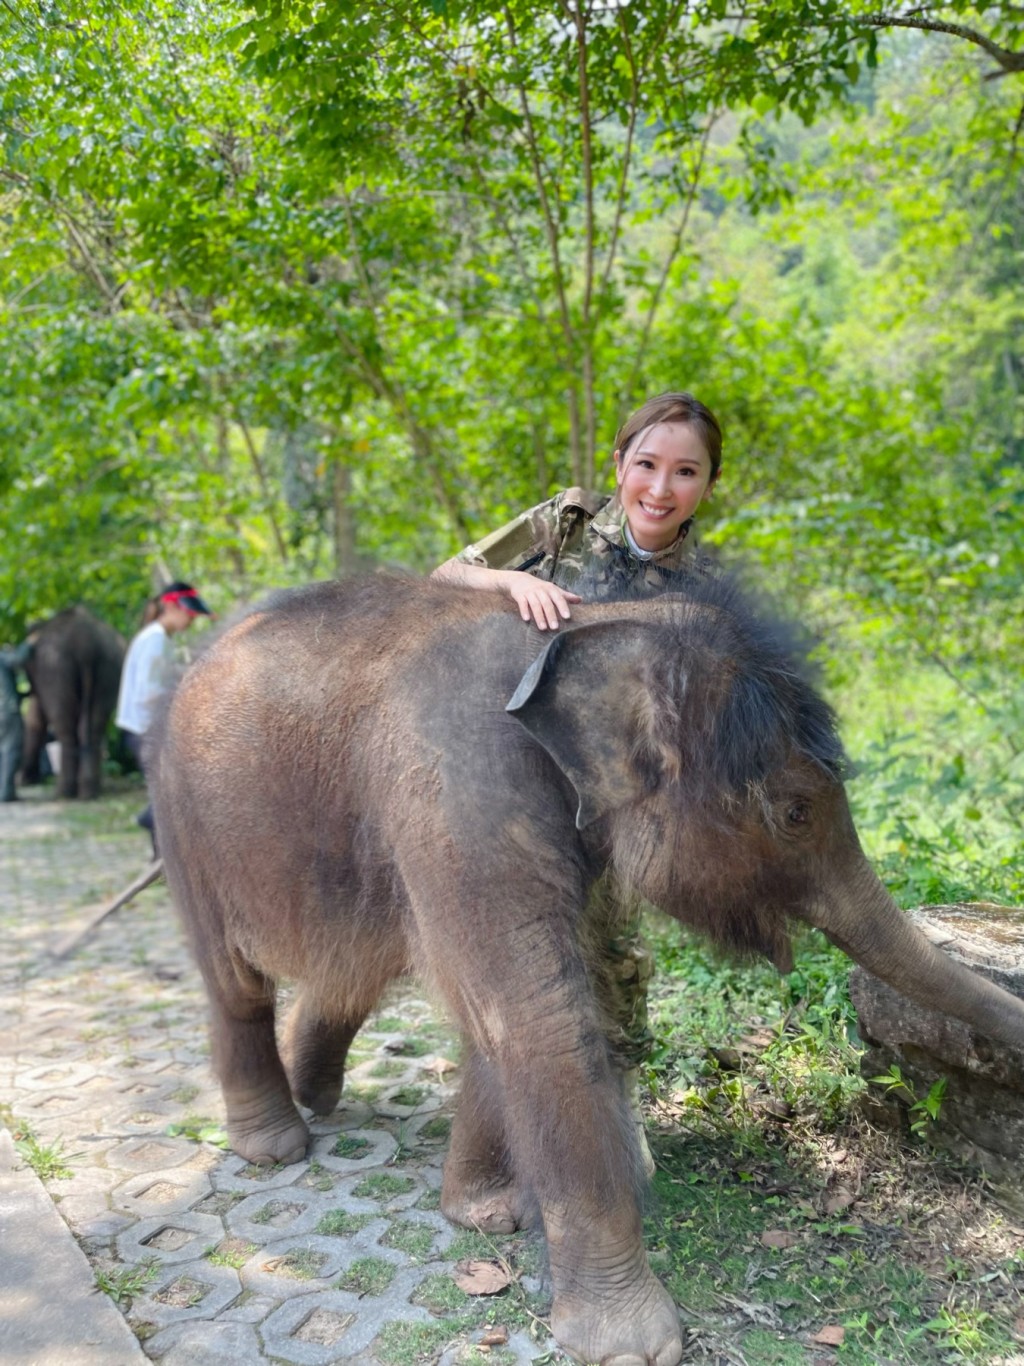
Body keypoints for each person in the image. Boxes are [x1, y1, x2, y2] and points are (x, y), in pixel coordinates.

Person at [431, 390, 723, 1170]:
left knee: (609, 945)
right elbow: (439, 578)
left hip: (621, 791)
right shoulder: (562, 521)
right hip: (514, 768)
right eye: (648, 464)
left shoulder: (707, 586)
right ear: (620, 463)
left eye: (685, 472)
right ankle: (501, 1102)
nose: (661, 489)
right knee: (509, 937)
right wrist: (508, 585)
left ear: (707, 484)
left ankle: (614, 1108)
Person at [116, 581, 212, 852]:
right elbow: (147, 693)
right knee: (169, 796)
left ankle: (159, 851)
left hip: (145, 730)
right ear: (170, 606)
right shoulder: (155, 640)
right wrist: (184, 687)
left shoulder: (158, 638)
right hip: (145, 731)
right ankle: (153, 830)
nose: (192, 619)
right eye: (189, 613)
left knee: (165, 794)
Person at [0, 637, 35, 802]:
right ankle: (6, 792)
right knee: (11, 750)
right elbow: (17, 660)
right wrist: (29, 643)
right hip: (6, 711)